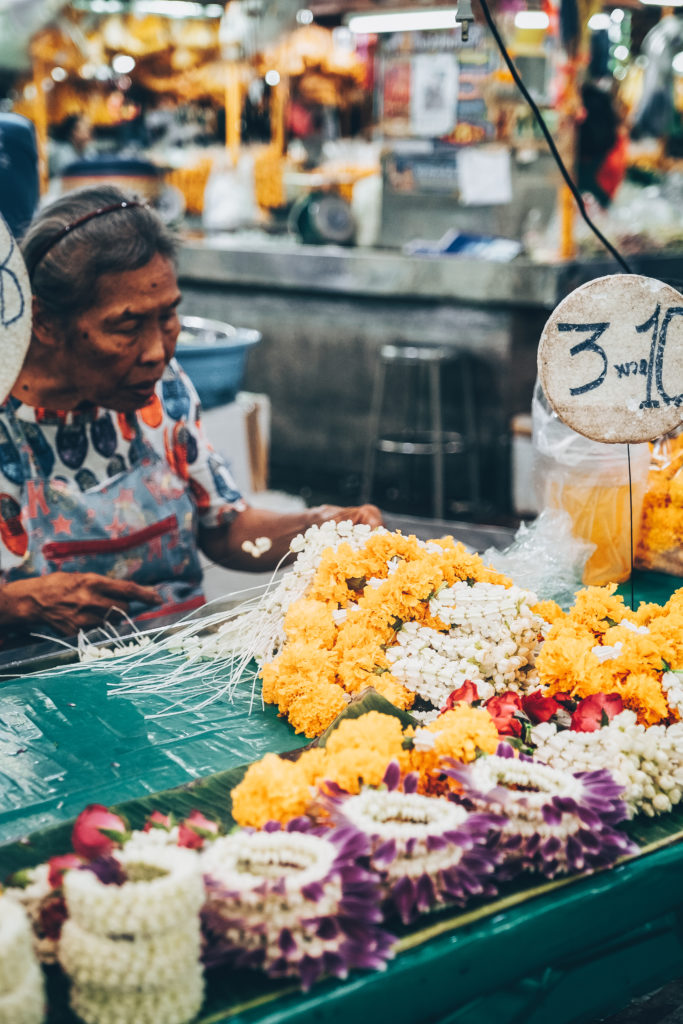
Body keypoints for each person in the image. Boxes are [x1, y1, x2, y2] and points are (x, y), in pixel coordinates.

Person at [0, 185, 381, 640]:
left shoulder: (161, 387)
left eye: (167, 317)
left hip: (180, 660)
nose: (157, 352)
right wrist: (21, 602)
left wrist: (319, 528)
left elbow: (223, 527)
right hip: (39, 685)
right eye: (126, 326)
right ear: (42, 322)